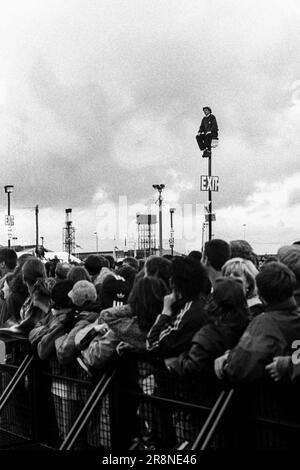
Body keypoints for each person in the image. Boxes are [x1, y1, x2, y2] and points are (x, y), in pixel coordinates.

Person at [214, 262, 300, 384]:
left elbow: (239, 368)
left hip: (272, 398)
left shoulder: (264, 324)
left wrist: (229, 358)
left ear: (261, 295)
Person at [146, 256, 210, 357]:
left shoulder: (187, 312)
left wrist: (165, 313)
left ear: (172, 282)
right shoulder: (202, 302)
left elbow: (152, 345)